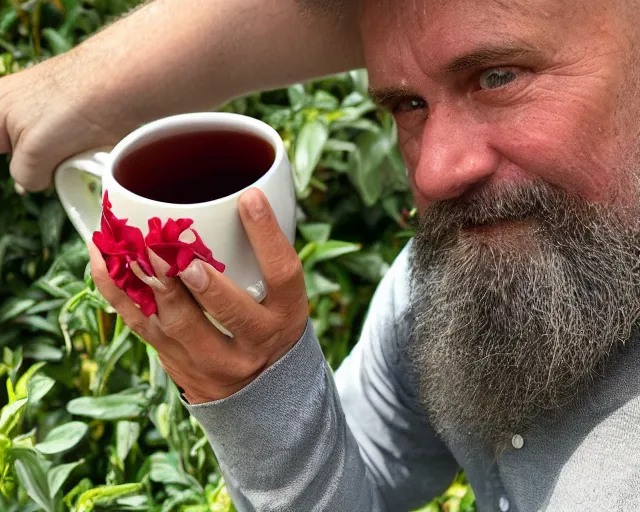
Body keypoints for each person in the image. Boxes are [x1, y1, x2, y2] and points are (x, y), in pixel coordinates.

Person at [3, 0, 640, 510]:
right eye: (408, 105)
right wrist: (257, 387)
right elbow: (362, 483)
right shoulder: (462, 286)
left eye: (497, 77)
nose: (437, 172)